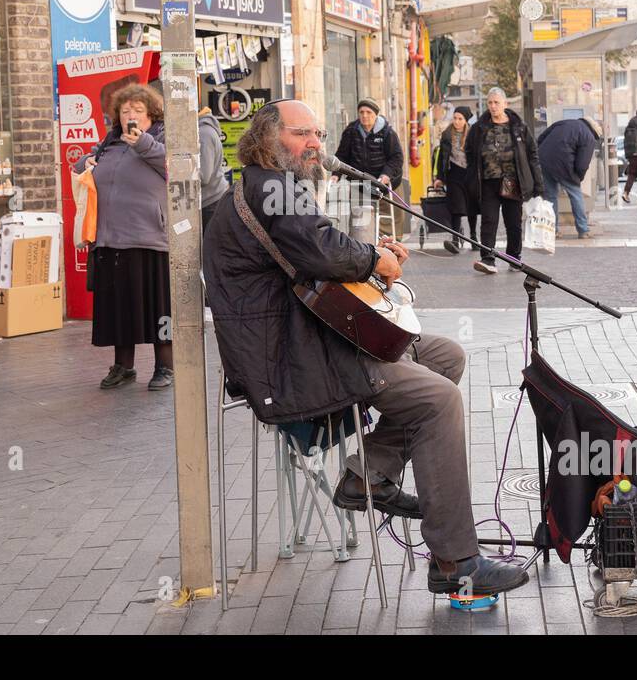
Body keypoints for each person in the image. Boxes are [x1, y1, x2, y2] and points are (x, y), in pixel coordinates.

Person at [203, 100, 529, 598]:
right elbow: (324, 252)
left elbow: (316, 247)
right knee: (438, 400)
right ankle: (455, 561)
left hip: (307, 342)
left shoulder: (270, 185)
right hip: (292, 361)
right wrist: (374, 259)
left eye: (318, 132)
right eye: (301, 134)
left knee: (444, 357)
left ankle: (367, 477)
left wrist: (369, 257)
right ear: (268, 139)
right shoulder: (271, 186)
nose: (315, 143)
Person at [76, 80, 174, 391]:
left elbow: (175, 167)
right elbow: (83, 166)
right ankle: (123, 367)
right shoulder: (110, 142)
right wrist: (84, 162)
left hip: (149, 238)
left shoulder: (160, 139)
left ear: (152, 114)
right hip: (111, 238)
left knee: (157, 309)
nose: (129, 114)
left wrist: (142, 142)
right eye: (125, 110)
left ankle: (165, 367)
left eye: (138, 110)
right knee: (120, 308)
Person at [463, 88, 544, 274]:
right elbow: (469, 151)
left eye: (496, 102)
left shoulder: (518, 126)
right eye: (490, 103)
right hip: (488, 181)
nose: (492, 106)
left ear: (505, 104)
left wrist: (538, 185)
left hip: (511, 181)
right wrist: (471, 176)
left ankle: (514, 258)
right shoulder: (479, 128)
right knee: (489, 221)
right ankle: (488, 259)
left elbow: (532, 155)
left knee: (513, 222)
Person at [333, 99, 404, 243]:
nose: (365, 115)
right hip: (361, 182)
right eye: (361, 112)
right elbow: (342, 156)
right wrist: (335, 175)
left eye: (369, 112)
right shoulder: (351, 131)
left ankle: (390, 245)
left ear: (376, 114)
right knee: (361, 220)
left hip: (385, 182)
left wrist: (386, 175)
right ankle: (364, 246)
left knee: (389, 219)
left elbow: (396, 158)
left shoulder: (387, 132)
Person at [536, 115, 602, 239]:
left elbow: (541, 138)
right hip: (563, 164)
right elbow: (582, 165)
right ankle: (583, 230)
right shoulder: (589, 137)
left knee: (550, 197)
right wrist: (578, 179)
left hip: (543, 160)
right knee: (576, 195)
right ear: (595, 133)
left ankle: (552, 230)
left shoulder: (563, 122)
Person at [431, 106, 478, 254]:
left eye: (460, 119)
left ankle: (473, 238)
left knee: (472, 207)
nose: (457, 121)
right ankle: (455, 240)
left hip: (470, 174)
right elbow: (441, 158)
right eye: (455, 118)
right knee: (456, 208)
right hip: (453, 175)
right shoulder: (446, 134)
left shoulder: (473, 134)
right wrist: (439, 178)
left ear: (465, 120)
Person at [198, 106, 229, 230]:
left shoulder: (203, 133)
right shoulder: (205, 130)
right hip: (211, 200)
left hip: (210, 202)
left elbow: (204, 176)